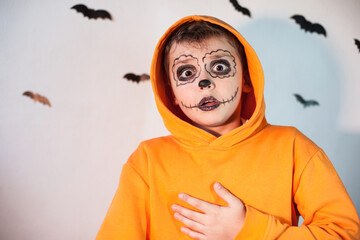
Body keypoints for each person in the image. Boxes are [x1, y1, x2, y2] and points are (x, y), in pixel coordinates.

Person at [96, 15, 360, 239]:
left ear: (246, 80)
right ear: (172, 94)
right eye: (187, 73)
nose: (205, 82)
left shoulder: (291, 147)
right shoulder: (147, 161)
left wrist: (248, 229)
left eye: (219, 67)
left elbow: (343, 232)